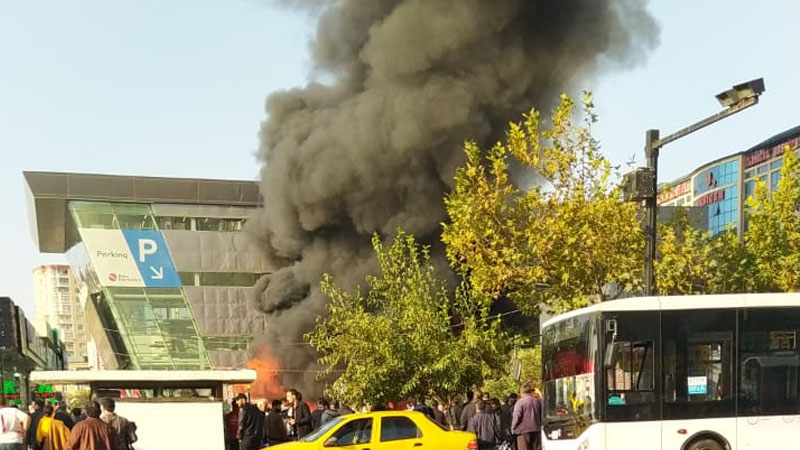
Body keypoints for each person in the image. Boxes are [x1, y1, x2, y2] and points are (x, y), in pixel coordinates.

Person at [511, 384, 542, 450]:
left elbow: (516, 416)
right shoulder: (537, 401)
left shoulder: (520, 402)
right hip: (536, 430)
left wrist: (513, 428)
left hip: (523, 431)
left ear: (521, 391)